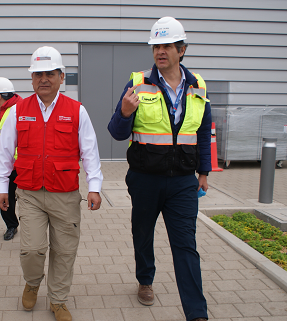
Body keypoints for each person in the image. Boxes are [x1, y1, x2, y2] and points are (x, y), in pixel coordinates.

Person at [107, 16, 211, 321]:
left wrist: (203, 172)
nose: (160, 51)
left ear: (182, 49)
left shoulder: (198, 86)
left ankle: (197, 312)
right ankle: (145, 279)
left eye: (166, 45)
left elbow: (203, 132)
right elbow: (116, 131)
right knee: (143, 233)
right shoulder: (138, 83)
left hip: (182, 182)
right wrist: (125, 112)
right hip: (144, 179)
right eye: (156, 46)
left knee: (186, 245)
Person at [0, 46, 103, 321]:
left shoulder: (77, 111)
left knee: (65, 251)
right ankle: (32, 282)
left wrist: (94, 186)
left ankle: (58, 300)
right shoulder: (18, 111)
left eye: (50, 73)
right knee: (32, 249)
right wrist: (1, 188)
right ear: (31, 78)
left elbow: (90, 152)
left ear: (61, 76)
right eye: (38, 74)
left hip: (65, 194)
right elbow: (5, 153)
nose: (44, 78)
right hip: (30, 193)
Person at [0, 77, 22, 240]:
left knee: (28, 200)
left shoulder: (18, 111)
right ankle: (11, 226)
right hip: (4, 167)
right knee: (5, 200)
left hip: (20, 167)